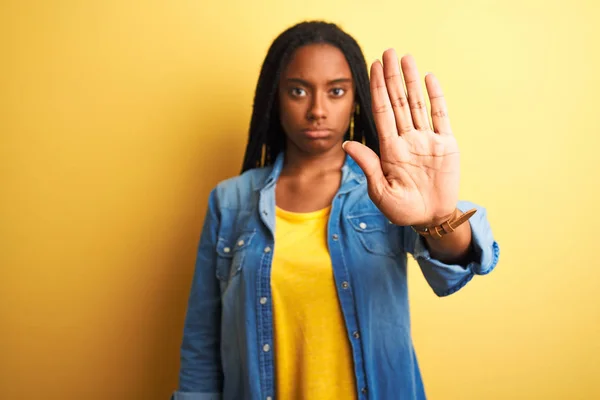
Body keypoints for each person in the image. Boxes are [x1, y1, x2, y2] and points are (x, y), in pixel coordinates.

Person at [172, 20, 499, 400]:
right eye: (298, 91)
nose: (317, 110)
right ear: (274, 98)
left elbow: (455, 266)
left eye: (336, 91)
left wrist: (437, 218)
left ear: (355, 98)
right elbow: (202, 340)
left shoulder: (385, 190)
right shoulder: (229, 201)